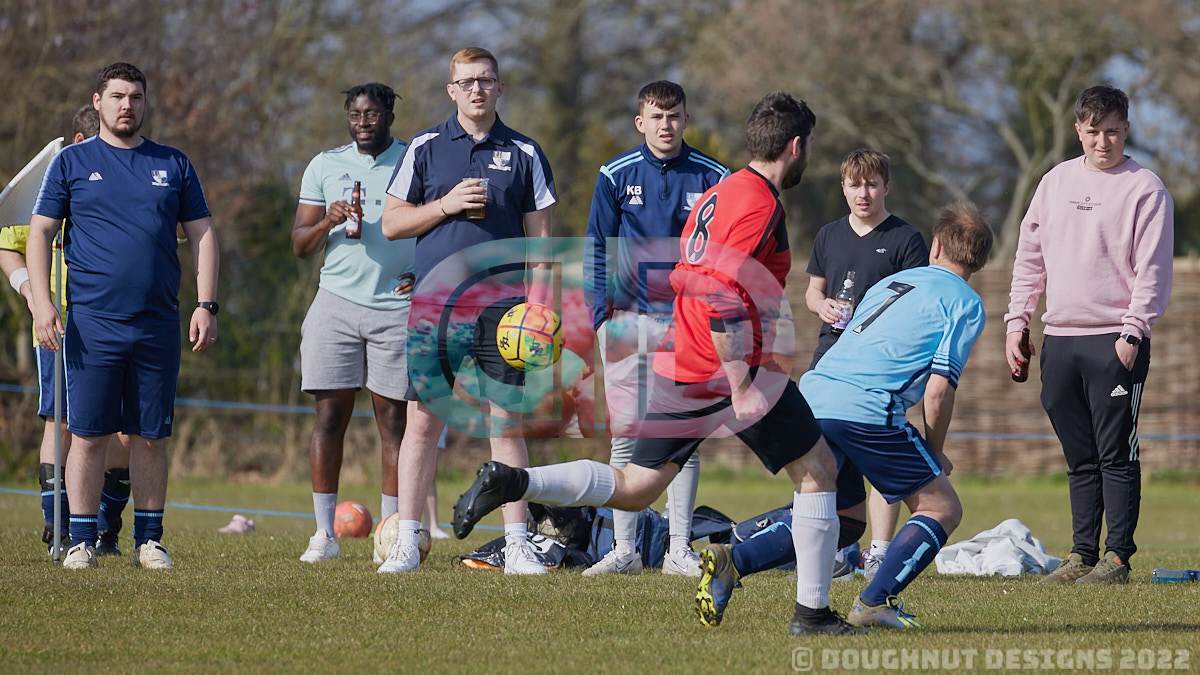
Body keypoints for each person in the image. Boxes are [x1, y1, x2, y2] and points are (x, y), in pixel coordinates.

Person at [454, 92, 865, 635]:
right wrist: (740, 383)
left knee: (635, 486)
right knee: (818, 474)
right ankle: (811, 614)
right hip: (735, 365)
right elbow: (719, 291)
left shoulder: (720, 191)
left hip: (684, 360)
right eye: (808, 144)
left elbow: (688, 276)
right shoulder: (757, 203)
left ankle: (514, 480)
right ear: (796, 146)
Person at [697, 202, 992, 630]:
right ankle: (875, 602)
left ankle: (734, 559)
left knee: (845, 517)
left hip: (816, 394)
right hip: (866, 408)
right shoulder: (965, 303)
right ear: (979, 260)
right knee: (941, 507)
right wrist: (934, 449)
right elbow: (938, 389)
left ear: (936, 247)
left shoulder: (892, 283)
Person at [28, 62, 220, 570]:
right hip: (91, 324)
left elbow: (202, 233)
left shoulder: (173, 163)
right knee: (88, 435)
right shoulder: (71, 162)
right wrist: (43, 303)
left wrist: (206, 304)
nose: (126, 106)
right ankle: (81, 541)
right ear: (98, 102)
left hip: (157, 323)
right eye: (116, 96)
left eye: (135, 97)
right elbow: (40, 231)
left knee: (150, 436)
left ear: (144, 102)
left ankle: (149, 541)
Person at [379, 47, 556, 575]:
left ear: (500, 87)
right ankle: (407, 540)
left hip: (504, 312)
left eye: (486, 80)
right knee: (422, 421)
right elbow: (391, 223)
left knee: (505, 423)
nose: (477, 89)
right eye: (467, 82)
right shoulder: (425, 148)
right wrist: (446, 205)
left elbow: (542, 241)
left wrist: (539, 308)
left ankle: (518, 544)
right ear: (451, 90)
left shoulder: (525, 151)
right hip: (435, 305)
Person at [1005, 85, 1173, 585]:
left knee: (1115, 452)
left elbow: (1153, 270)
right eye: (1094, 131)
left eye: (1114, 132)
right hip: (1060, 339)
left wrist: (1133, 331)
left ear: (1127, 130)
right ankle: (1081, 554)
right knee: (1079, 455)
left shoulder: (1146, 188)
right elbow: (1029, 258)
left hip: (1115, 339)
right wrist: (1017, 322)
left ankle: (1116, 557)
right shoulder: (1054, 182)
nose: (1104, 142)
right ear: (1079, 129)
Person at [740, 149, 929, 580]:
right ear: (843, 187)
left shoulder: (906, 239)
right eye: (855, 185)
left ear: (886, 187)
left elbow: (915, 304)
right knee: (821, 456)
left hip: (880, 364)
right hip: (829, 359)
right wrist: (820, 305)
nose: (863, 193)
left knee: (879, 456)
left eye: (872, 184)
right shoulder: (828, 235)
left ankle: (880, 550)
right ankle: (836, 548)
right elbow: (813, 292)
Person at [582, 80, 728, 577]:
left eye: (675, 116)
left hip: (688, 326)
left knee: (681, 437)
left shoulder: (714, 176)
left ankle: (678, 549)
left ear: (686, 120)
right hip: (626, 322)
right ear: (640, 122)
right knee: (625, 436)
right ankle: (624, 549)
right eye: (657, 117)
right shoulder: (615, 174)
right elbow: (597, 247)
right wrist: (600, 318)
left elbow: (725, 255)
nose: (666, 125)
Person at [0, 105, 132, 558]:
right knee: (61, 423)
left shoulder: (122, 185)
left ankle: (106, 527)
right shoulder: (48, 189)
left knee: (122, 431)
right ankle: (57, 526)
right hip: (60, 322)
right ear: (79, 143)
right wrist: (33, 296)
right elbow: (8, 246)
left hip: (116, 319)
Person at [291, 83, 413, 563]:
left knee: (394, 423)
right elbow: (300, 245)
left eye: (373, 114)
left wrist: (426, 274)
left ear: (389, 116)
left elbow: (439, 224)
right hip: (336, 304)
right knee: (329, 418)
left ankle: (392, 534)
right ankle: (324, 534)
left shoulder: (414, 160)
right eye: (355, 114)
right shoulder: (325, 165)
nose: (363, 122)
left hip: (397, 307)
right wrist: (327, 222)